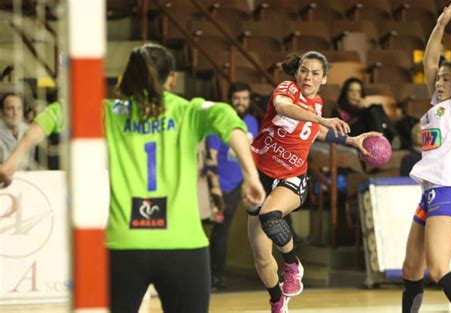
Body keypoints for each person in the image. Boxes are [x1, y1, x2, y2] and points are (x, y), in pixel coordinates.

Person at [0, 43, 266, 313]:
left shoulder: (112, 114)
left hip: (124, 246)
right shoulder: (188, 112)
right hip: (183, 246)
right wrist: (251, 176)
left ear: (128, 77)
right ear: (172, 79)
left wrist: (13, 161)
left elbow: (55, 113)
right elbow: (229, 121)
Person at [247, 51, 380, 313]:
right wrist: (320, 119)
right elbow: (287, 109)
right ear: (297, 73)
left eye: (315, 73)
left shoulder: (317, 103)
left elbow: (315, 131)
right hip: (260, 174)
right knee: (262, 258)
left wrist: (352, 140)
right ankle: (277, 301)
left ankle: (292, 264)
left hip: (292, 176)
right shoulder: (286, 89)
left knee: (270, 216)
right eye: (304, 70)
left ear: (324, 78)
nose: (308, 76)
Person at [401, 1, 451, 312]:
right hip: (429, 194)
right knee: (410, 269)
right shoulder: (437, 105)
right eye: (440, 80)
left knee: (438, 268)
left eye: (447, 80)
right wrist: (440, 24)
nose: (440, 82)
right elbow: (430, 61)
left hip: (448, 191)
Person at [205, 81, 260, 291]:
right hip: (219, 185)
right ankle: (212, 278)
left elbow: (252, 154)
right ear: (230, 99)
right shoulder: (220, 120)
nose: (241, 102)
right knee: (218, 231)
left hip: (240, 185)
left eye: (245, 98)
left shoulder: (252, 122)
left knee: (222, 231)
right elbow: (210, 156)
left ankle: (216, 277)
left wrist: (249, 180)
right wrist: (215, 186)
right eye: (237, 98)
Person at [332, 77, 400, 148]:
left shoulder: (364, 109)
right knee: (373, 109)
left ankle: (388, 139)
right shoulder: (339, 109)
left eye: (358, 91)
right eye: (351, 91)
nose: (354, 94)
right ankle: (391, 136)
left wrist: (363, 108)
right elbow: (340, 131)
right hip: (353, 134)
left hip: (367, 131)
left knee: (375, 108)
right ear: (345, 93)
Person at [0, 93, 35, 170]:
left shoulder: (29, 130)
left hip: (27, 177)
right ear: (1, 112)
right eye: (10, 108)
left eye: (19, 108)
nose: (15, 113)